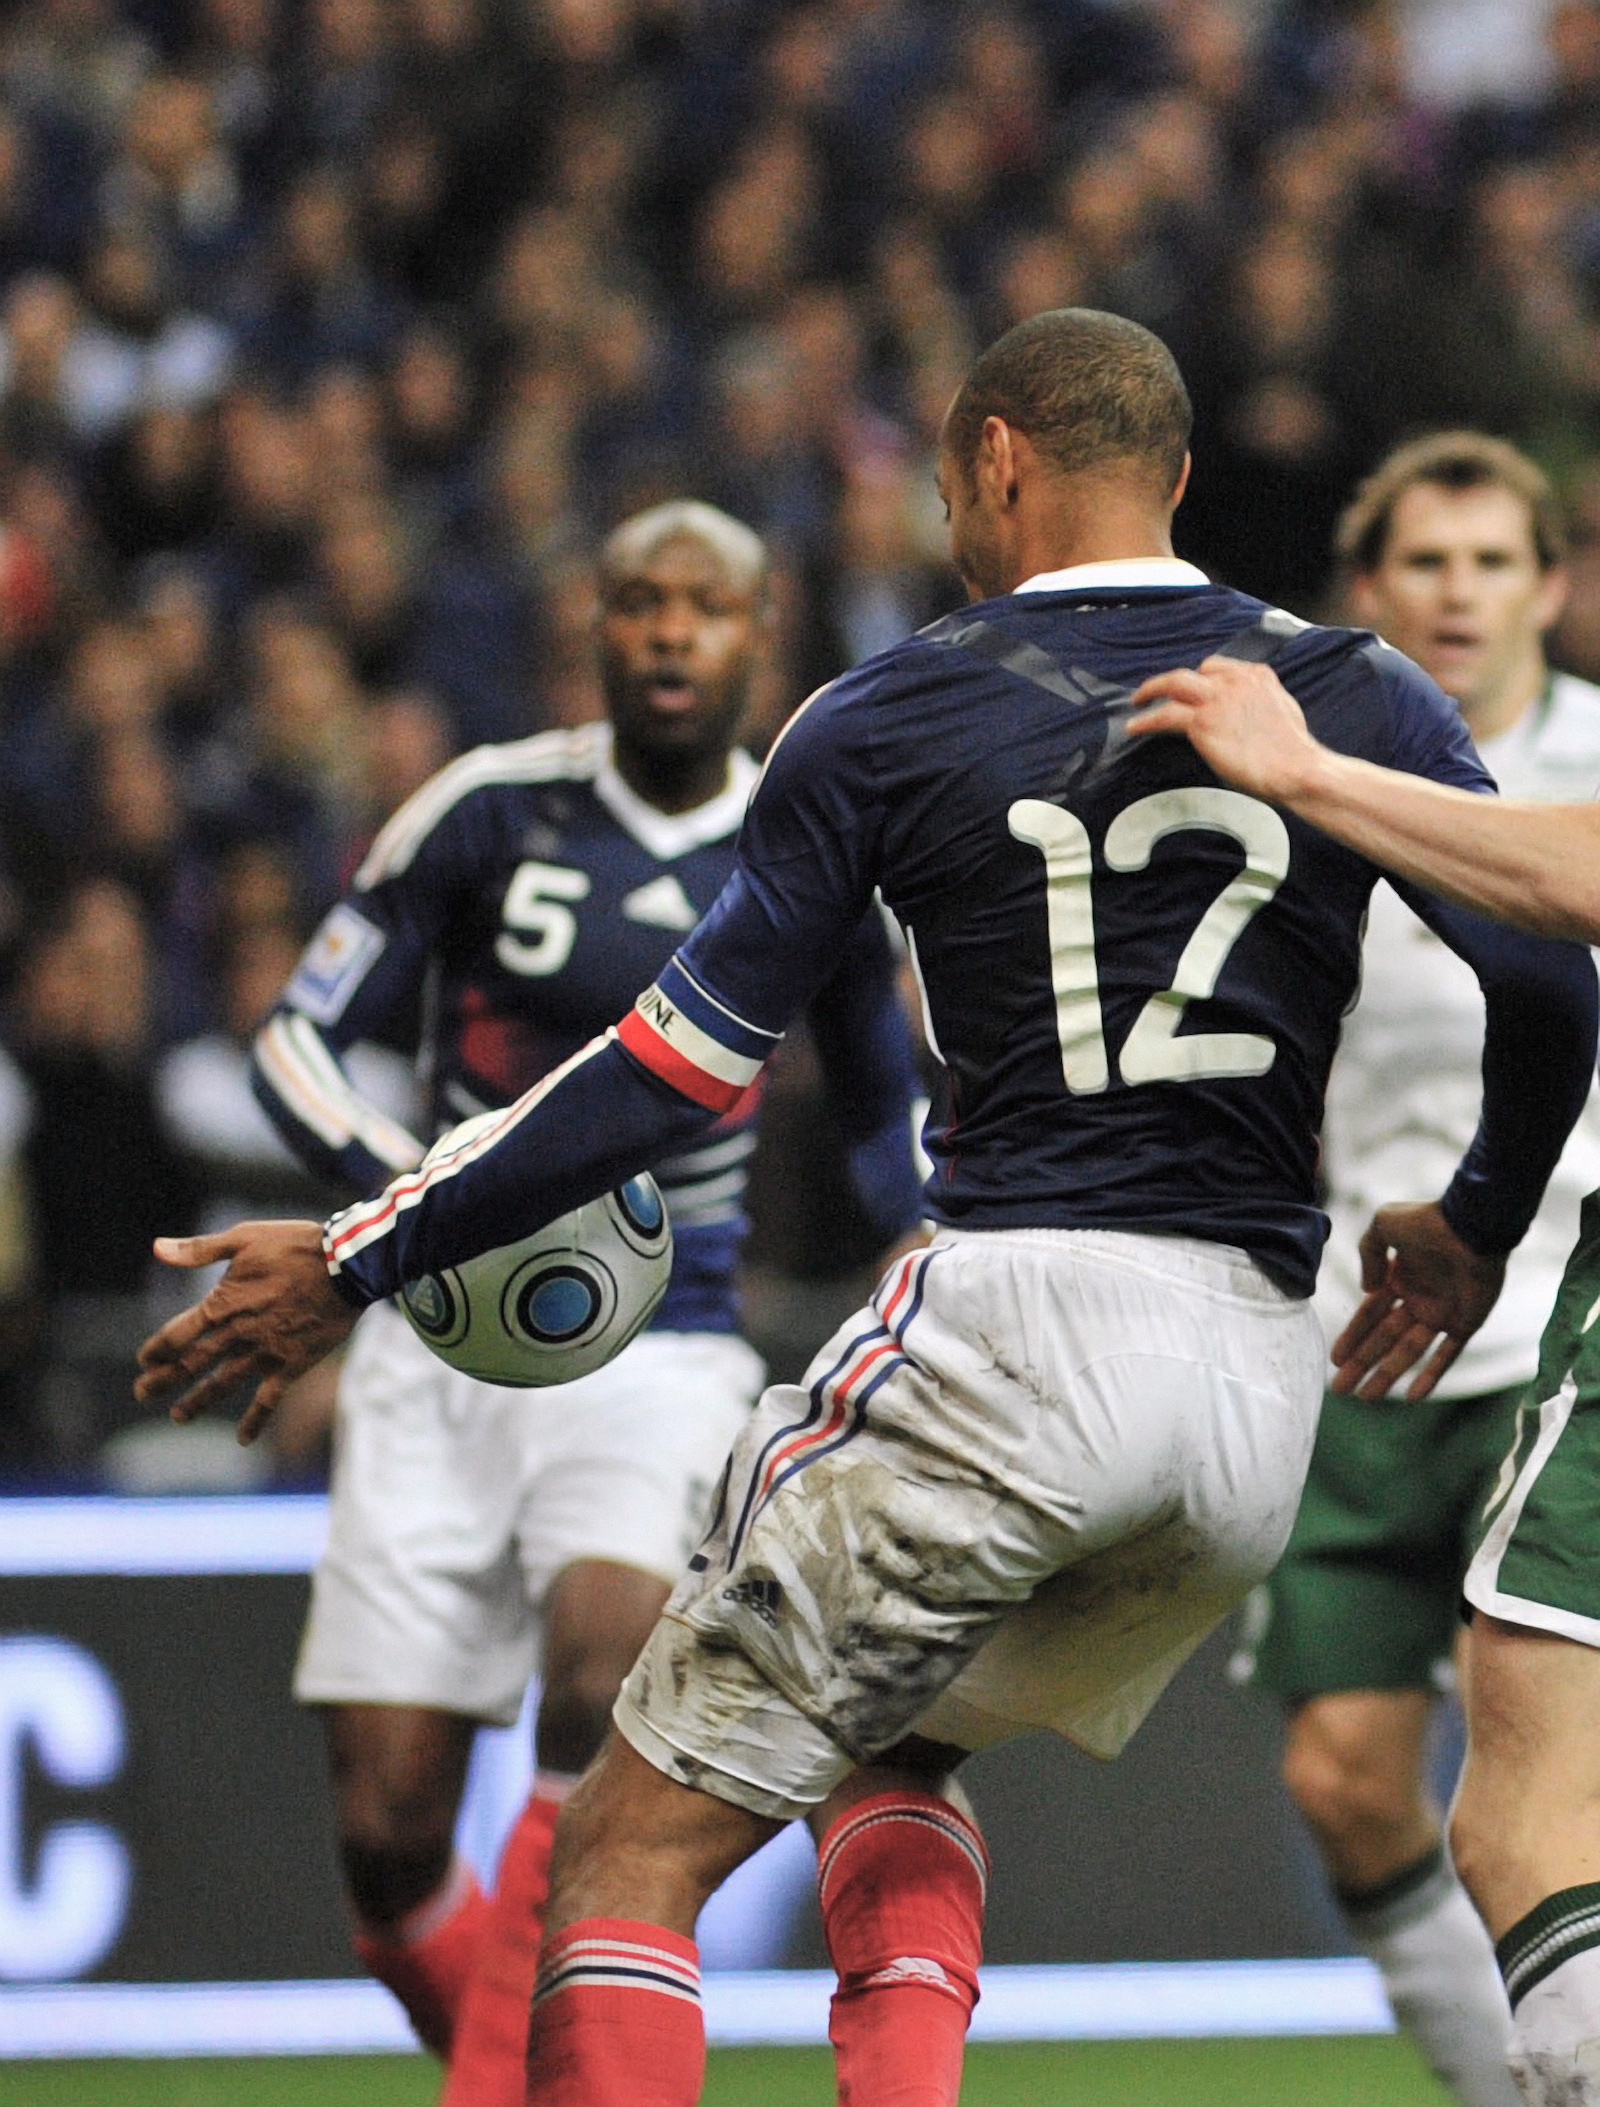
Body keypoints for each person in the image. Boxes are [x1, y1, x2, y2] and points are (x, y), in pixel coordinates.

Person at [135, 310, 1599, 2107]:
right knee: (892, 1755)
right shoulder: (1351, 691)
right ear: (1184, 482)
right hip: (1249, 1396)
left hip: (1015, 1317)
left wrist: (364, 1253)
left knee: (626, 1860)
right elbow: (1552, 987)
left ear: (995, 460)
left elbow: (677, 1069)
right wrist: (1476, 1209)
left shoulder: (889, 710)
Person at [244, 498, 926, 2099]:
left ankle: (503, 2089)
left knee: (594, 1675)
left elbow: (888, 1109)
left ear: (762, 638)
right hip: (433, 1350)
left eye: (707, 606)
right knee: (387, 1834)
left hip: (666, 1346)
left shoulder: (808, 840)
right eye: (641, 604)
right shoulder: (485, 812)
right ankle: (523, 2040)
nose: (672, 632)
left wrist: (932, 1245)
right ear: (595, 630)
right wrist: (411, 1197)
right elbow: (298, 1037)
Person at [1240, 434, 1600, 2107]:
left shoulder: (1583, 764)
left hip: (1557, 1331)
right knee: (1349, 1780)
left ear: (1550, 582)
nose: (1458, 594)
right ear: (1368, 589)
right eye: (1424, 565)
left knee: (1543, 1798)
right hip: (1365, 1340)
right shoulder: (1301, 787)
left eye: (1491, 561)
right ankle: (1514, 2077)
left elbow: (1558, 913)